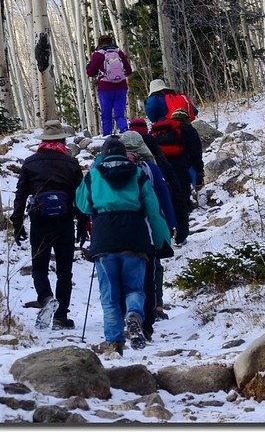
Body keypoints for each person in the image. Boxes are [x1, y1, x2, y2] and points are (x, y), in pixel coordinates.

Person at [76, 136, 172, 356]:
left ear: (103, 154)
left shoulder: (93, 175)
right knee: (135, 288)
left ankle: (114, 344)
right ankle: (135, 315)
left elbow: (82, 204)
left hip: (104, 237)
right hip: (135, 236)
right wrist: (161, 241)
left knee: (109, 295)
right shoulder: (138, 174)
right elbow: (153, 210)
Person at [10, 120, 89, 331]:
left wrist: (17, 223)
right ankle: (61, 317)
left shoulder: (30, 163)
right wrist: (83, 224)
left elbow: (20, 196)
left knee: (40, 267)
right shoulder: (71, 163)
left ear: (43, 141)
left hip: (40, 222)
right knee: (65, 272)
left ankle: (45, 299)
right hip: (64, 222)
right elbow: (80, 198)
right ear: (62, 140)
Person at [119, 131, 176, 338]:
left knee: (121, 275)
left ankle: (125, 315)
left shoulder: (107, 168)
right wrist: (169, 226)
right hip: (147, 230)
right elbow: (162, 198)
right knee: (149, 275)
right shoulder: (149, 169)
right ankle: (149, 319)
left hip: (114, 233)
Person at [150, 108, 204, 246]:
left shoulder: (160, 130)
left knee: (163, 201)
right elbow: (196, 154)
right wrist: (199, 174)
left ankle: (166, 234)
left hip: (161, 169)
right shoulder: (188, 130)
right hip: (180, 170)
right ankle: (181, 236)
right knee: (181, 200)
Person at [86, 34, 132, 136]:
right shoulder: (119, 52)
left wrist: (89, 65)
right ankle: (125, 133)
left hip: (105, 89)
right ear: (111, 42)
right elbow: (129, 70)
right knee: (120, 115)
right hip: (121, 87)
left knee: (106, 116)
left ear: (100, 43)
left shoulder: (98, 54)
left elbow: (90, 72)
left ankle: (107, 137)